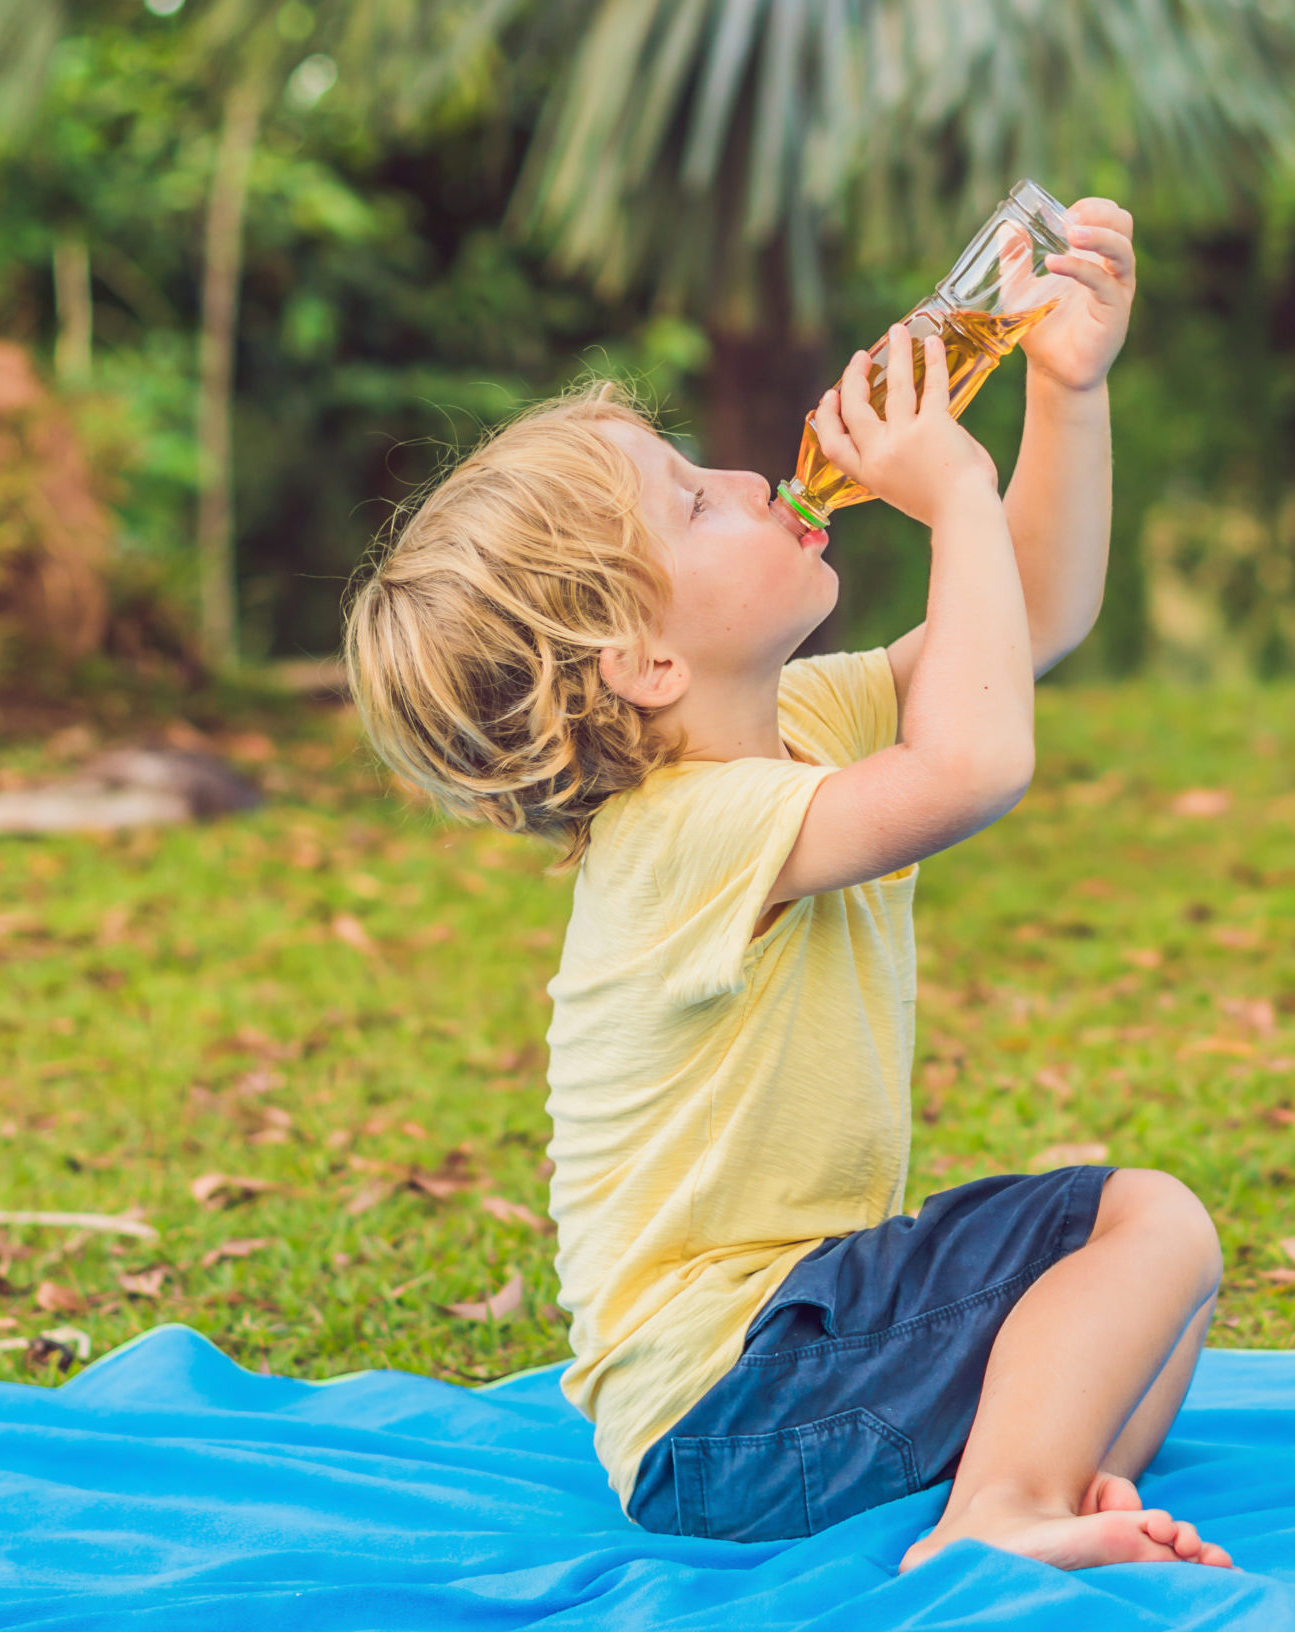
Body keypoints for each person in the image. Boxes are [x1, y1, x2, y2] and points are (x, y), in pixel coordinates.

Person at [342, 197, 1230, 1573]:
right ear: (644, 663)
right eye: (697, 504)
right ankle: (1000, 1517)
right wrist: (953, 497)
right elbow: (980, 760)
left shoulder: (796, 724)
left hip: (779, 1389)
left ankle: (1060, 1482)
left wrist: (1068, 395)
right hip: (741, 1400)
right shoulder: (678, 832)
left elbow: (1028, 623)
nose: (752, 483)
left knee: (1149, 1303)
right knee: (1147, 1221)